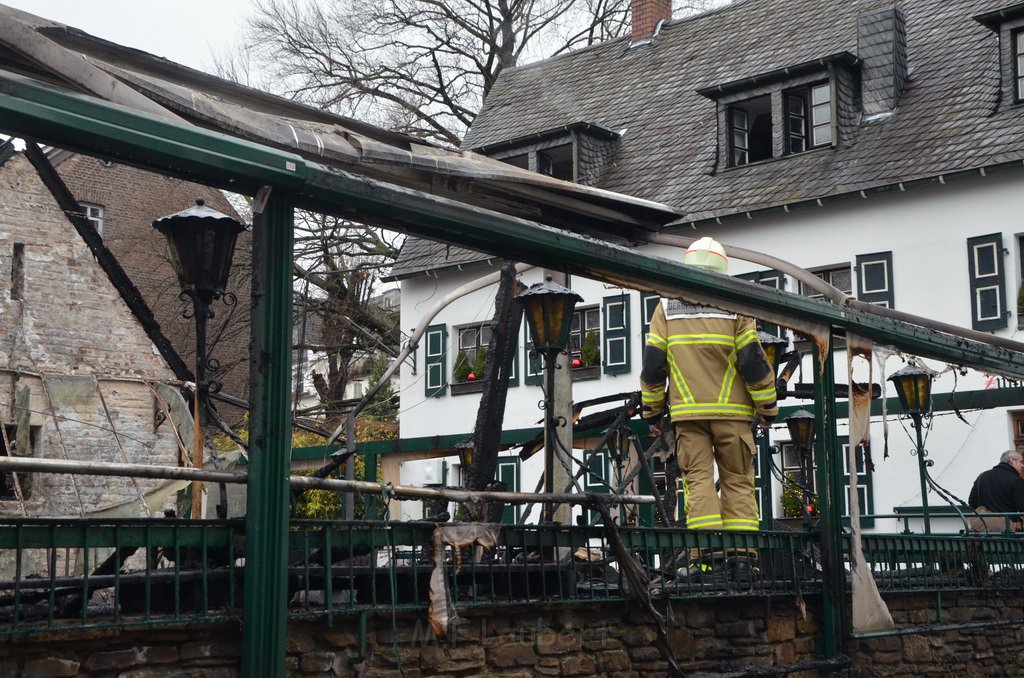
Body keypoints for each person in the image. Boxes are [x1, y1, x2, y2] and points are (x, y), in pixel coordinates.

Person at [640, 237, 779, 582]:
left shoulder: (666, 307)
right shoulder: (735, 303)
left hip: (689, 415)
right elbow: (751, 359)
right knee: (738, 482)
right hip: (733, 414)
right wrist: (767, 406)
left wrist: (652, 412)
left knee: (697, 482)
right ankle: (743, 559)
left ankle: (708, 557)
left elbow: (654, 364)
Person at [967, 449, 1024, 532]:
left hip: (984, 531)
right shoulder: (1016, 480)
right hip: (1008, 531)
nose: (1022, 465)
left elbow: (972, 502)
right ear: (1012, 461)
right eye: (1020, 462)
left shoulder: (982, 476)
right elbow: (1021, 506)